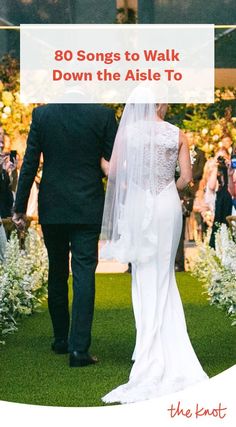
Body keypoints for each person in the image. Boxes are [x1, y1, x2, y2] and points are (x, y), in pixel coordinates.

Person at [100, 87, 208, 403]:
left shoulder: (129, 133)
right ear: (160, 104)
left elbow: (114, 172)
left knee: (143, 275)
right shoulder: (176, 133)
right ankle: (166, 346)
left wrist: (99, 161)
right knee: (165, 275)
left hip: (138, 204)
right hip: (166, 206)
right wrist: (165, 192)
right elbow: (186, 178)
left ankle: (147, 349)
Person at [13, 102, 117, 367]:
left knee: (57, 270)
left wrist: (19, 208)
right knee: (84, 273)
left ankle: (61, 339)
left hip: (54, 205)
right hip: (87, 204)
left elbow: (30, 162)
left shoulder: (42, 114)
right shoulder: (103, 115)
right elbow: (112, 160)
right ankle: (79, 349)